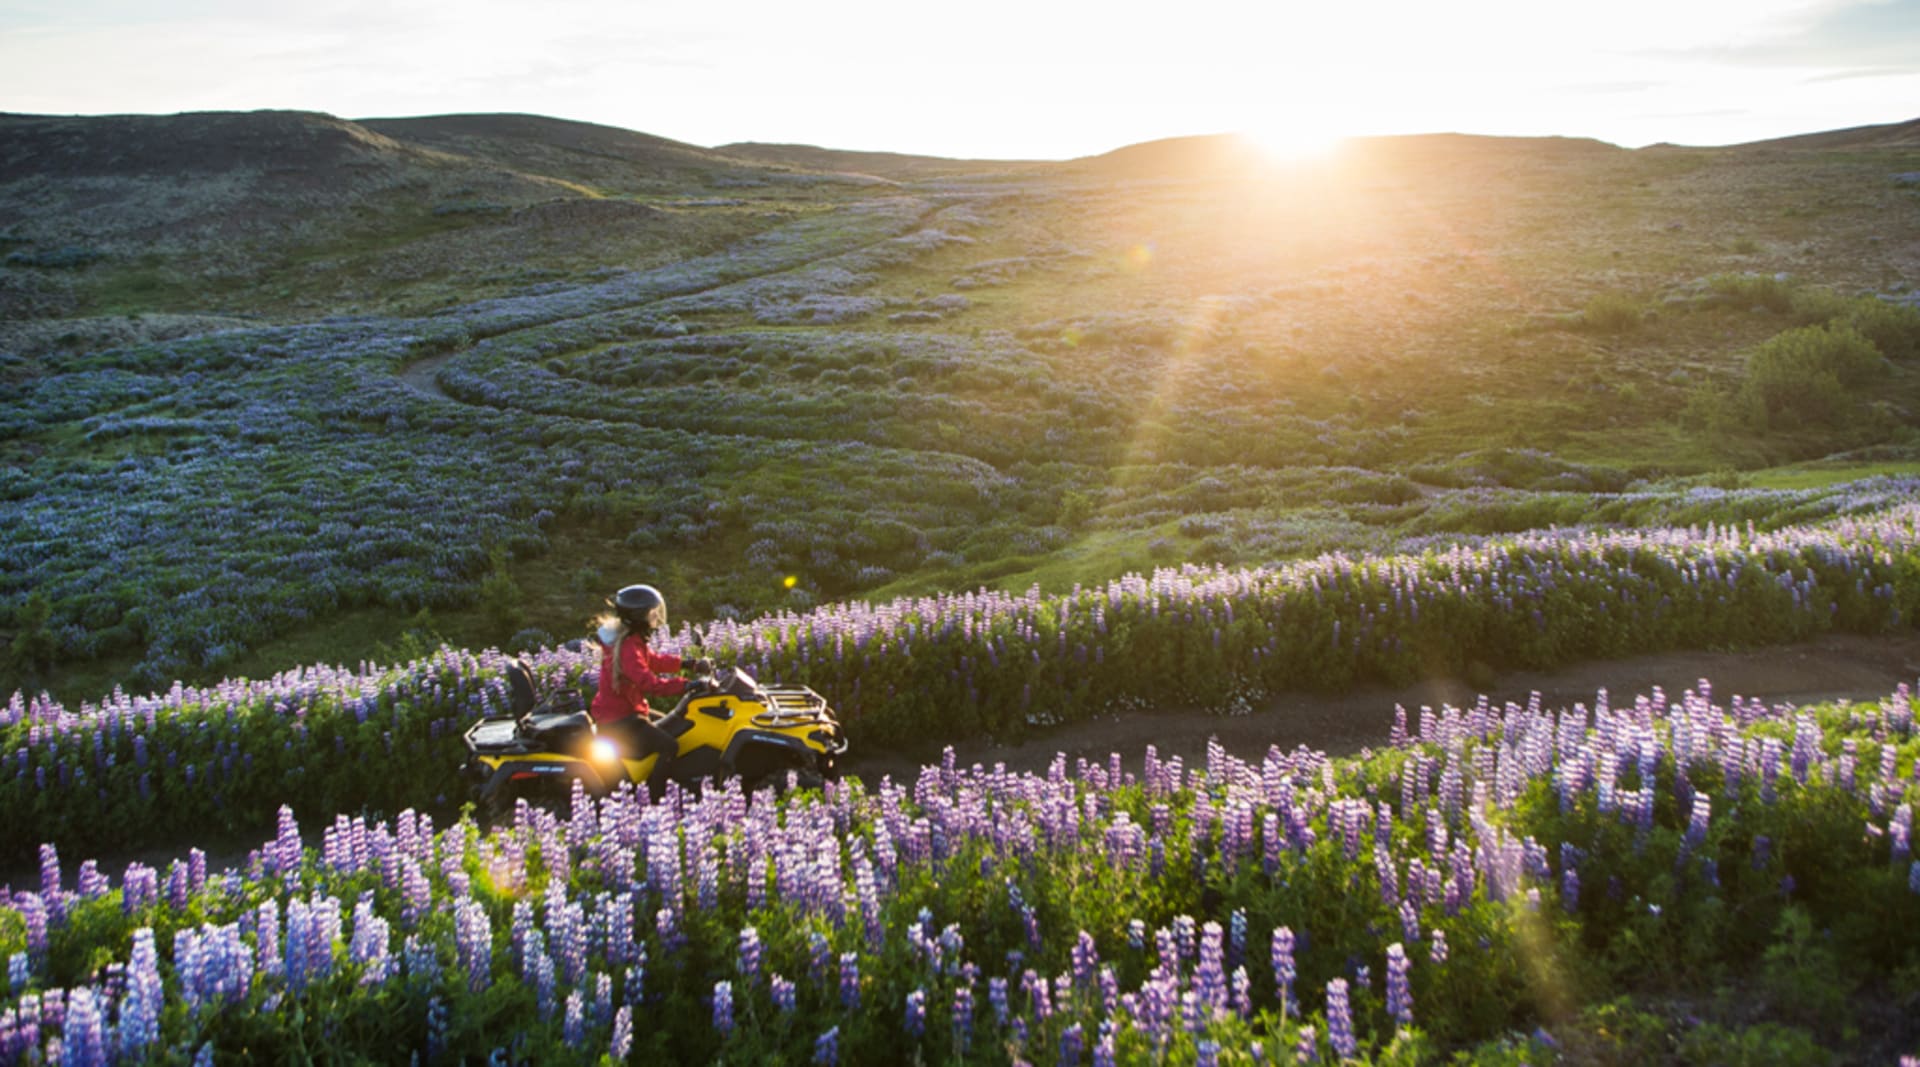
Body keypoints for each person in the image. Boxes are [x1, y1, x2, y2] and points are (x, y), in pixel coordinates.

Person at [589, 584, 710, 798]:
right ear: (638, 617)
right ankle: (656, 798)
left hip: (629, 712)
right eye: (652, 613)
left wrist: (688, 664)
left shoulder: (632, 640)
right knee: (669, 746)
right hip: (619, 720)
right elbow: (649, 684)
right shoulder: (627, 647)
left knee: (676, 727)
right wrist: (686, 685)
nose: (656, 618)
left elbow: (653, 660)